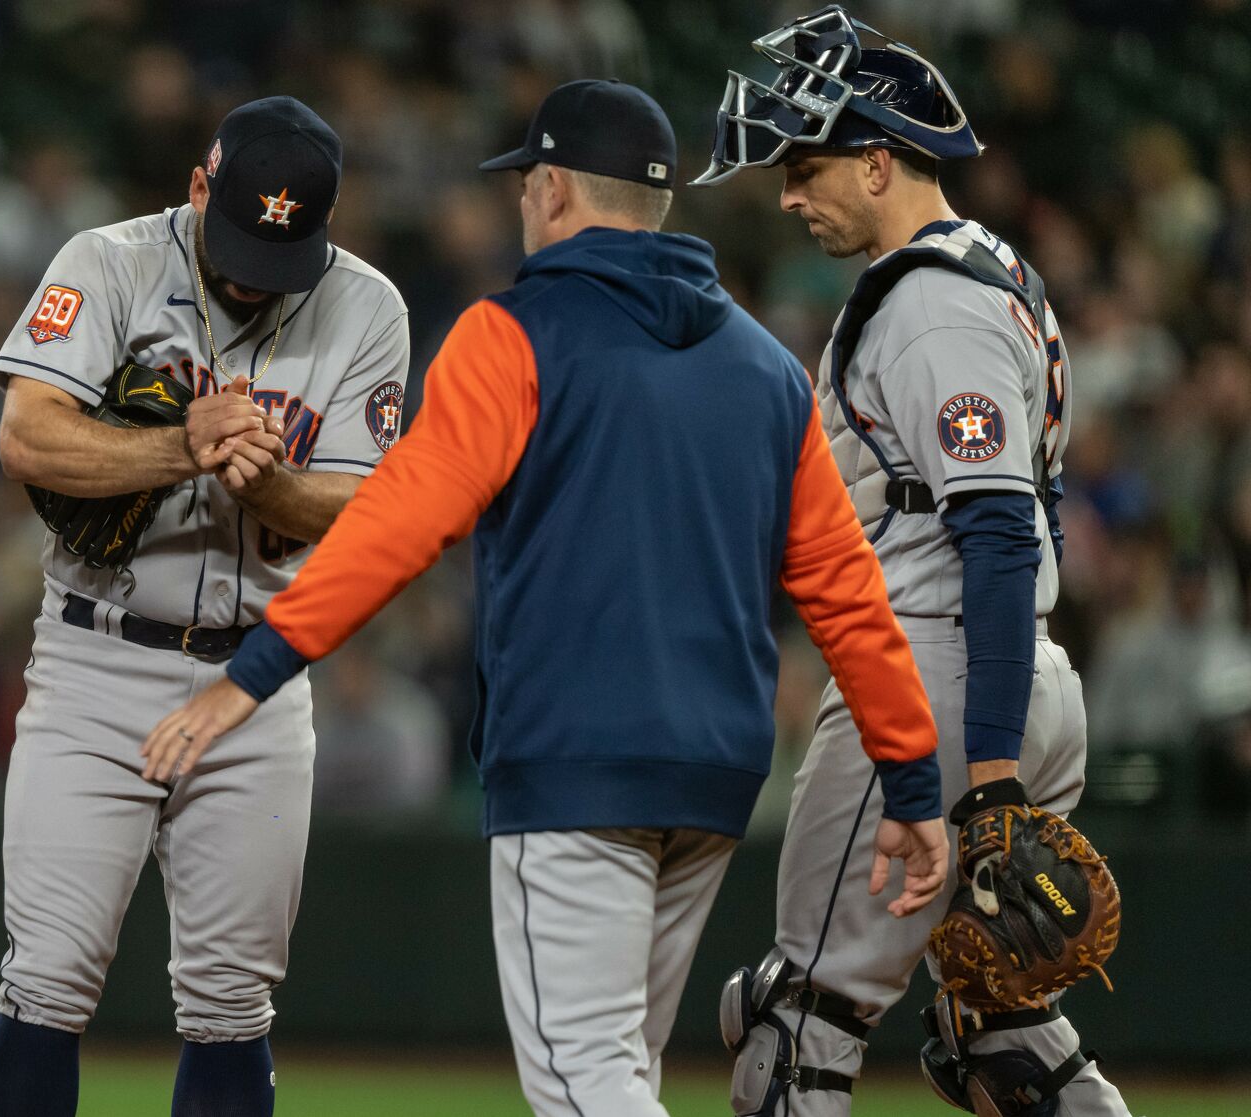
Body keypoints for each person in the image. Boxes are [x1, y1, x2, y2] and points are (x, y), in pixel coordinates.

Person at [141, 80, 948, 1117]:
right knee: (618, 1071)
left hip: (573, 763)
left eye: (526, 182)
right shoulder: (764, 368)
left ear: (553, 187)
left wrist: (249, 675)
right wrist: (911, 780)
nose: (523, 201)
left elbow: (393, 526)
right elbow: (845, 594)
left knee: (584, 1088)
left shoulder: (508, 334)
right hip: (709, 779)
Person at [694, 7, 1132, 1113]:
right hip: (1010, 674)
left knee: (797, 1024)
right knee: (1001, 1034)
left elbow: (989, 532)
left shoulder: (930, 304)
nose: (789, 195)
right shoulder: (981, 273)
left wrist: (982, 779)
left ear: (878, 160)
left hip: (935, 685)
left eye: (807, 166)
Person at [0, 96, 410, 1117]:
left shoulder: (367, 305)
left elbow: (375, 508)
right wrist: (182, 445)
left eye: (282, 250)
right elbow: (25, 437)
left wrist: (266, 483)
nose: (252, 270)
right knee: (46, 976)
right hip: (96, 659)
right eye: (237, 240)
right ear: (199, 186)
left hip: (256, 676)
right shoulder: (108, 261)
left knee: (231, 1001)